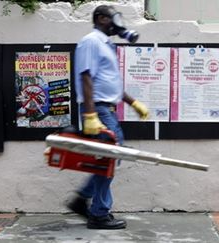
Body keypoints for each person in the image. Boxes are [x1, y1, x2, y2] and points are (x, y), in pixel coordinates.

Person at [67, 5, 149, 230]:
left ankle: (83, 200)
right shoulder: (91, 41)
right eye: (113, 18)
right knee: (110, 159)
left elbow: (108, 83)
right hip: (100, 111)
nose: (117, 23)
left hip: (106, 108)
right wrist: (91, 114)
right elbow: (86, 77)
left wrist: (133, 103)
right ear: (101, 18)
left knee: (107, 159)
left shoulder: (107, 44)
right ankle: (98, 213)